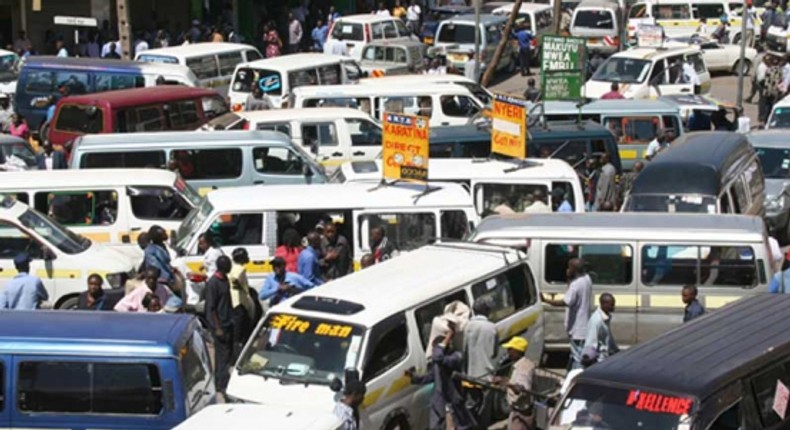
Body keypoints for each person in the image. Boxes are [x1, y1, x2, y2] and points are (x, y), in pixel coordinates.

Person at [407, 322, 477, 430]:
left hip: (454, 401)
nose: (434, 352)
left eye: (436, 348)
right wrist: (413, 377)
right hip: (440, 402)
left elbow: (438, 357)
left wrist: (448, 336)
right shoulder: (438, 363)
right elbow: (430, 376)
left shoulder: (455, 357)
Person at [542, 258, 593, 370]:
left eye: (569, 267)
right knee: (575, 355)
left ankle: (576, 379)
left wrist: (546, 300)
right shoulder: (587, 279)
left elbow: (566, 301)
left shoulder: (576, 285)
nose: (567, 269)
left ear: (574, 269)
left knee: (578, 358)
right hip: (583, 326)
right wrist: (569, 278)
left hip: (577, 329)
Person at [463, 297, 498, 426]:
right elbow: (494, 352)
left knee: (471, 404)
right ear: (487, 311)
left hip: (471, 375)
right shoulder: (492, 327)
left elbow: (464, 350)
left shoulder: (468, 326)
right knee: (485, 408)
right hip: (486, 375)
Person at [204, 255, 234, 396]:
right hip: (220, 325)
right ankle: (221, 385)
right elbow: (211, 307)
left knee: (227, 354)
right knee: (221, 356)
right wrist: (217, 328)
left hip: (228, 322)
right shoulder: (213, 283)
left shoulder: (225, 279)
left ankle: (223, 381)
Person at [493, 337, 535, 430]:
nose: (508, 352)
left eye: (510, 350)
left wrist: (505, 382)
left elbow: (521, 389)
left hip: (522, 413)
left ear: (517, 351)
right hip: (517, 411)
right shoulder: (519, 364)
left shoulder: (524, 368)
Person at [229, 248, 257, 356]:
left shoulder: (235, 267)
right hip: (239, 303)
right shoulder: (239, 269)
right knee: (240, 331)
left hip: (240, 301)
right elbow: (235, 278)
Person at [582, 293, 619, 364]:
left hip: (606, 358)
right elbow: (590, 342)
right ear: (604, 304)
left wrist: (616, 351)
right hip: (599, 361)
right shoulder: (596, 321)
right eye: (611, 305)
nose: (614, 307)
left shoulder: (605, 318)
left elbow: (608, 339)